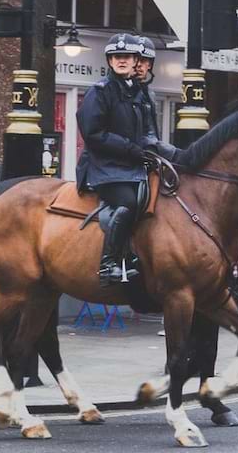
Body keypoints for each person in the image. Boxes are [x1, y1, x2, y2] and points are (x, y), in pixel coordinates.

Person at [76, 33, 155, 287]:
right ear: (110, 61)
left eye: (127, 57)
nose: (122, 61)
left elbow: (145, 135)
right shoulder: (100, 91)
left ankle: (135, 257)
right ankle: (109, 263)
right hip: (105, 168)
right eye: (116, 57)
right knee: (129, 202)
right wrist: (131, 150)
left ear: (135, 61)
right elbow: (93, 133)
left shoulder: (138, 94)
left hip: (132, 168)